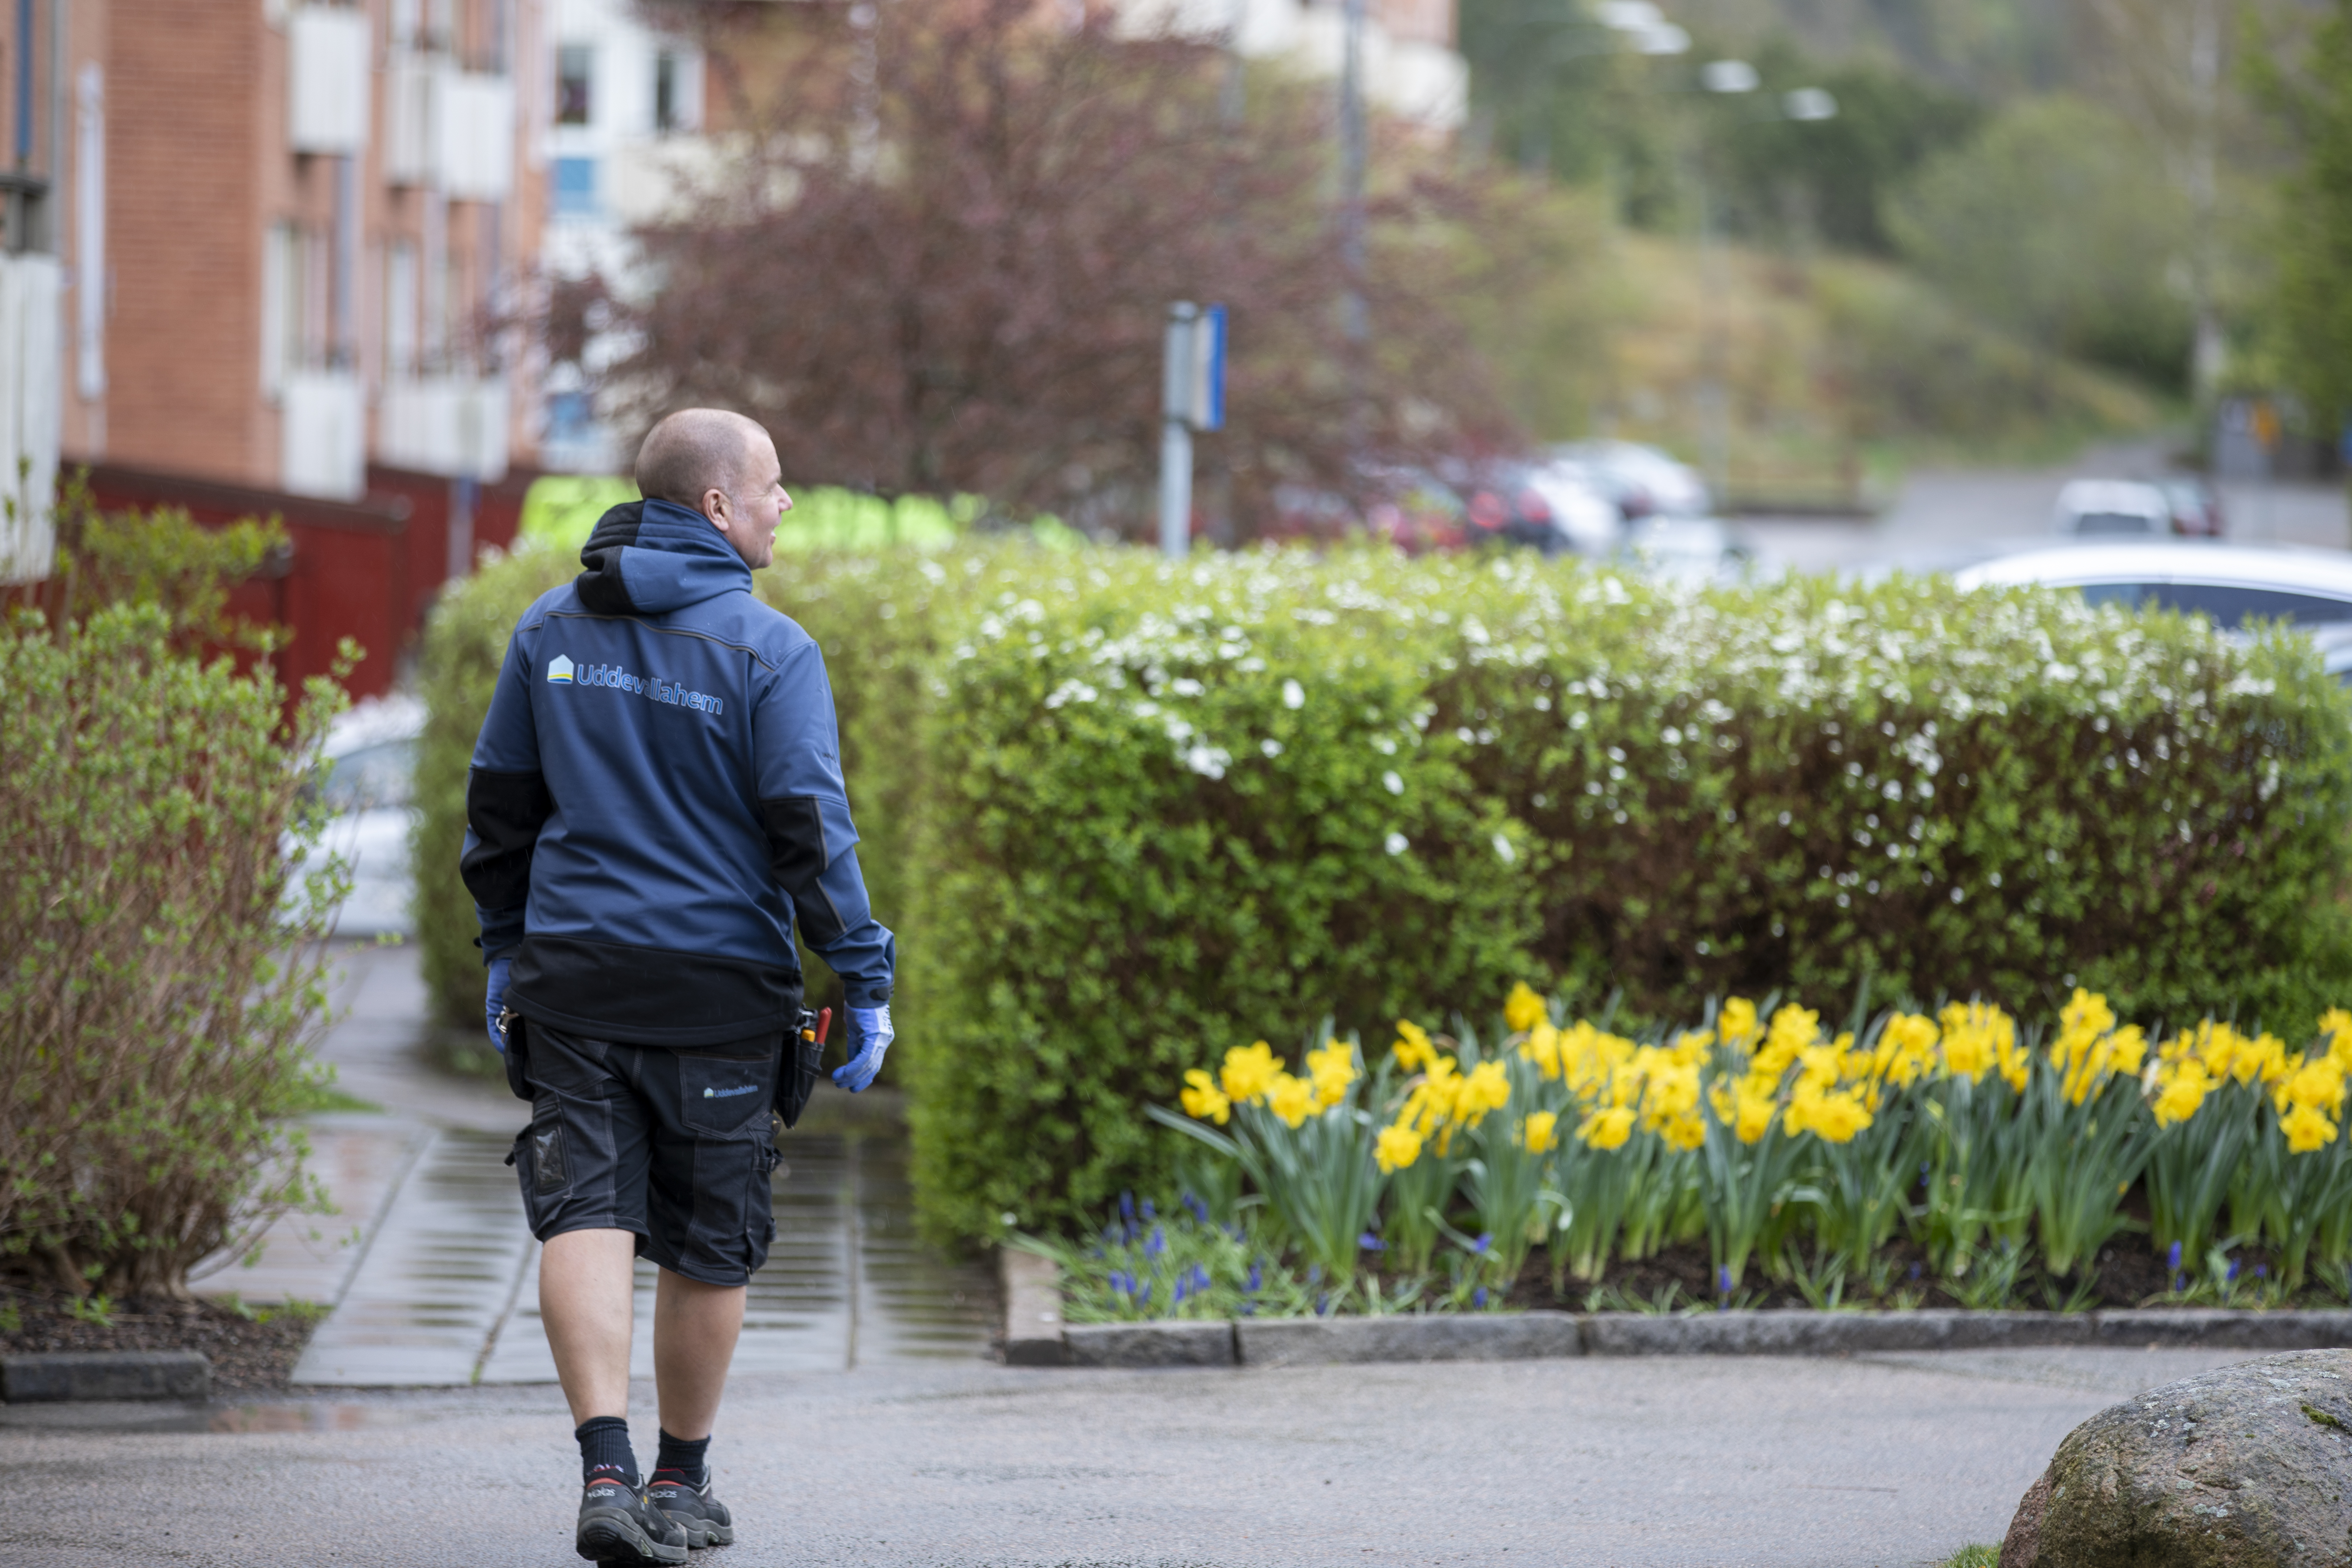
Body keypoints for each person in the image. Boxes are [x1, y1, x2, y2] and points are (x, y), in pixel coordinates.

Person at [461, 408, 896, 1565]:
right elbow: (811, 833)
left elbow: (498, 809)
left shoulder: (548, 626)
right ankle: (677, 1481)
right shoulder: (770, 650)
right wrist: (863, 977)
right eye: (772, 484)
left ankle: (600, 1469)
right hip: (718, 996)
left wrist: (506, 947)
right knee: (709, 1242)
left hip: (574, 979)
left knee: (586, 1211)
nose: (785, 503)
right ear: (716, 506)